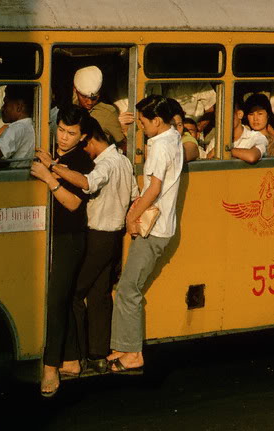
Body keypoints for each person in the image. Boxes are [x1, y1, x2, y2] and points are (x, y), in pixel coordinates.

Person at [47, 115, 139, 374]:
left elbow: (88, 183)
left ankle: (75, 358)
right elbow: (134, 195)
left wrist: (54, 168)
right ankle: (98, 354)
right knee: (99, 294)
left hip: (97, 234)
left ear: (89, 140)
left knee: (74, 294)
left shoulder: (105, 164)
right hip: (114, 237)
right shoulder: (123, 161)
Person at [107, 95, 183, 373]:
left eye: (142, 122)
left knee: (128, 290)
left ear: (157, 121)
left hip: (153, 230)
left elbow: (153, 189)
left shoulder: (160, 146)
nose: (140, 126)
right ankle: (123, 345)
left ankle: (132, 354)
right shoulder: (174, 137)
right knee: (130, 288)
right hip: (165, 228)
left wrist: (132, 216)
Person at [30, 105, 94, 397]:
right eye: (62, 130)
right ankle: (71, 360)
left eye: (71, 133)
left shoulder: (83, 161)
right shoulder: (52, 155)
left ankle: (50, 368)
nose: (64, 137)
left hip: (71, 237)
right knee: (63, 298)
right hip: (51, 235)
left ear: (83, 137)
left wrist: (49, 176)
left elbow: (73, 203)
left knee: (56, 300)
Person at [72, 66, 126, 152]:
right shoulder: (70, 109)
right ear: (75, 90)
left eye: (94, 98)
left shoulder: (108, 113)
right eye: (84, 97)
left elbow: (123, 144)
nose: (89, 102)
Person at [231, 99, 267, 163]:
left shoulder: (256, 137)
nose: (255, 119)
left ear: (240, 114)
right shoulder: (216, 140)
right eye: (251, 114)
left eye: (260, 114)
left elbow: (252, 157)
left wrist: (225, 151)